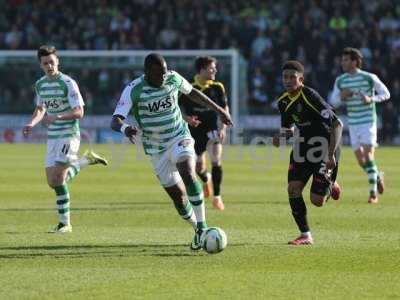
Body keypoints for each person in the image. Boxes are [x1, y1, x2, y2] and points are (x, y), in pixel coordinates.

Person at [110, 53, 233, 250]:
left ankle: (203, 227)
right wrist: (126, 128)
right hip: (156, 148)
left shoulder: (173, 78)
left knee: (188, 172)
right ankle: (197, 229)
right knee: (178, 197)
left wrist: (220, 110)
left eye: (165, 72)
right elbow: (115, 120)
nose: (163, 77)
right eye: (159, 74)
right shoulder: (134, 89)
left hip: (179, 136)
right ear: (148, 73)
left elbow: (192, 92)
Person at [22, 45, 108, 233]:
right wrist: (32, 123)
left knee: (58, 178)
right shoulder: (40, 85)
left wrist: (58, 117)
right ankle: (86, 160)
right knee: (52, 182)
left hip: (69, 135)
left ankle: (65, 224)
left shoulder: (68, 83)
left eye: (52, 62)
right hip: (52, 137)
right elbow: (41, 109)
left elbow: (80, 112)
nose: (49, 66)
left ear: (57, 61)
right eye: (45, 63)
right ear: (41, 65)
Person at [273, 60, 343, 246]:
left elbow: (337, 124)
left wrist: (330, 154)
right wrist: (280, 137)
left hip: (325, 146)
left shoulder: (310, 96)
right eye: (285, 77)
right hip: (303, 147)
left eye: (292, 77)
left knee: (317, 200)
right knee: (293, 189)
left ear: (301, 79)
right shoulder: (283, 101)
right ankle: (305, 235)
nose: (288, 81)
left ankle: (331, 183)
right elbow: (287, 127)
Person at [330, 47, 390, 204]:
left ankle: (373, 194)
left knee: (369, 156)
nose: (342, 62)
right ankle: (377, 176)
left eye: (346, 60)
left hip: (368, 121)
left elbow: (385, 93)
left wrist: (371, 99)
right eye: (342, 60)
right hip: (353, 123)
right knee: (360, 161)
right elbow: (332, 101)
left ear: (355, 61)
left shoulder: (369, 77)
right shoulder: (341, 80)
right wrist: (341, 98)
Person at [179, 56, 229, 211]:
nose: (215, 70)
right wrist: (186, 118)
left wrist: (223, 128)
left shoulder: (218, 87)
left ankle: (217, 198)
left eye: (215, 68)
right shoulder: (187, 86)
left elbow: (224, 108)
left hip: (212, 128)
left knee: (216, 159)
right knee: (199, 168)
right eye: (211, 68)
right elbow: (175, 107)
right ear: (201, 70)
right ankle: (206, 179)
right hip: (194, 131)